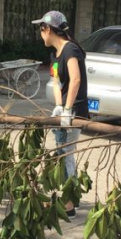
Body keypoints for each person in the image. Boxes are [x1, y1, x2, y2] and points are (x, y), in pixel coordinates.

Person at [32, 11, 89, 218]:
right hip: (64, 110)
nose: (40, 34)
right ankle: (71, 198)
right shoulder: (55, 55)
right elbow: (57, 82)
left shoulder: (71, 49)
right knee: (65, 154)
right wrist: (58, 105)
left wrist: (67, 109)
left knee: (64, 154)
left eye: (41, 29)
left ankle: (68, 206)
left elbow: (75, 80)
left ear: (48, 29)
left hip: (75, 110)